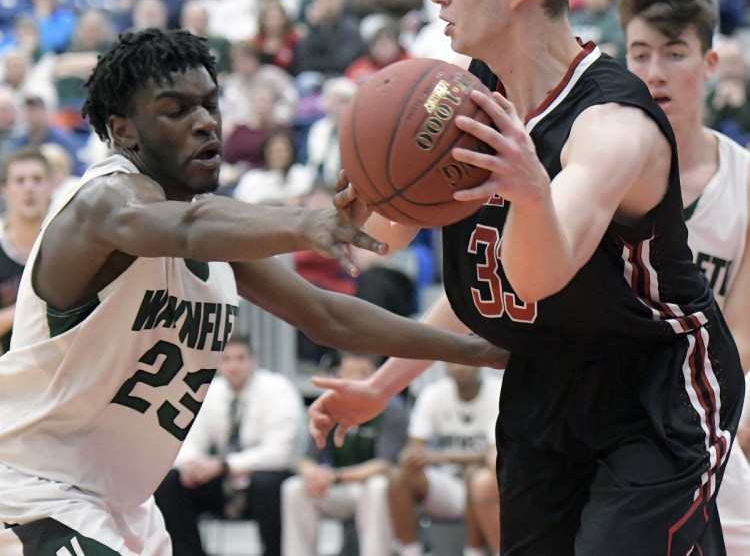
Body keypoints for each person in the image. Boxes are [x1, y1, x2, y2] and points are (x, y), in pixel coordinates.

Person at [309, 0, 745, 553]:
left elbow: (535, 276)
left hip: (654, 388)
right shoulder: (462, 100)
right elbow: (414, 249)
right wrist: (381, 384)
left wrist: (529, 190)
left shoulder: (611, 127)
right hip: (545, 384)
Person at [0, 27, 502, 555]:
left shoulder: (211, 230)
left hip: (123, 505)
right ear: (124, 130)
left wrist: (479, 350)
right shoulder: (101, 203)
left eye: (210, 104)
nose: (203, 122)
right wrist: (308, 222)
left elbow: (325, 315)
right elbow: (190, 228)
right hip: (31, 490)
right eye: (175, 111)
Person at [617, 0, 750, 555]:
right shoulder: (599, 171)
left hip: (703, 404)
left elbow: (739, 335)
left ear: (711, 62)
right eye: (641, 54)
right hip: (611, 406)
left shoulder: (745, 183)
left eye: (675, 53)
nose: (656, 71)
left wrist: (692, 412)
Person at [154, 334, 305, 556]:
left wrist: (224, 465)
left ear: (254, 361)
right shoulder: (207, 392)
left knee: (266, 483)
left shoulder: (278, 389)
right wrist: (192, 465)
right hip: (224, 480)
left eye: (240, 358)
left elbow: (278, 454)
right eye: (226, 359)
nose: (233, 366)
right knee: (170, 482)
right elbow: (186, 440)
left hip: (264, 481)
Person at [282, 351, 408, 556]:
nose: (356, 380)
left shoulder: (391, 406)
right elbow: (307, 460)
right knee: (294, 488)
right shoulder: (329, 404)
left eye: (363, 373)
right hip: (338, 488)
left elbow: (385, 465)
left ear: (377, 375)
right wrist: (314, 475)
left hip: (369, 487)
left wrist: (336, 476)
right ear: (338, 375)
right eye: (350, 372)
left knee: (378, 486)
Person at [388, 364, 501, 556]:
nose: (460, 367)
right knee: (399, 477)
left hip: (488, 484)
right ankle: (411, 551)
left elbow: (496, 455)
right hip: (446, 484)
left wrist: (440, 456)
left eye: (465, 361)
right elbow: (415, 446)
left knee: (475, 474)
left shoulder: (499, 391)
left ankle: (474, 552)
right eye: (454, 361)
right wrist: (411, 456)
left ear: (481, 361)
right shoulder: (433, 393)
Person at [0, 148, 53, 354]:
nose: (29, 188)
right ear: (5, 189)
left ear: (51, 186)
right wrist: (27, 312)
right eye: (20, 180)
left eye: (37, 179)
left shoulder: (67, 244)